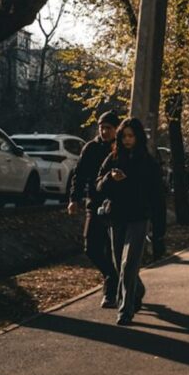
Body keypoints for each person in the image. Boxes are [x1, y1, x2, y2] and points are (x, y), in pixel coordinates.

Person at [96, 117, 159, 326]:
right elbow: (98, 185)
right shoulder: (113, 158)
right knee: (118, 265)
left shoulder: (148, 161)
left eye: (130, 136)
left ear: (138, 137)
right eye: (124, 136)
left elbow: (157, 193)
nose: (126, 140)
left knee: (128, 263)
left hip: (139, 218)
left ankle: (125, 310)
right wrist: (110, 179)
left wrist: (159, 228)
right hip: (117, 217)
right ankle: (137, 290)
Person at [67, 111, 120, 308]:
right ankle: (111, 275)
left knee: (112, 249)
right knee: (91, 248)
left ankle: (110, 292)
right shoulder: (91, 148)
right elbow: (78, 175)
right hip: (94, 203)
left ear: (116, 129)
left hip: (116, 207)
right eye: (102, 127)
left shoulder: (120, 148)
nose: (104, 131)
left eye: (109, 128)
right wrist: (74, 199)